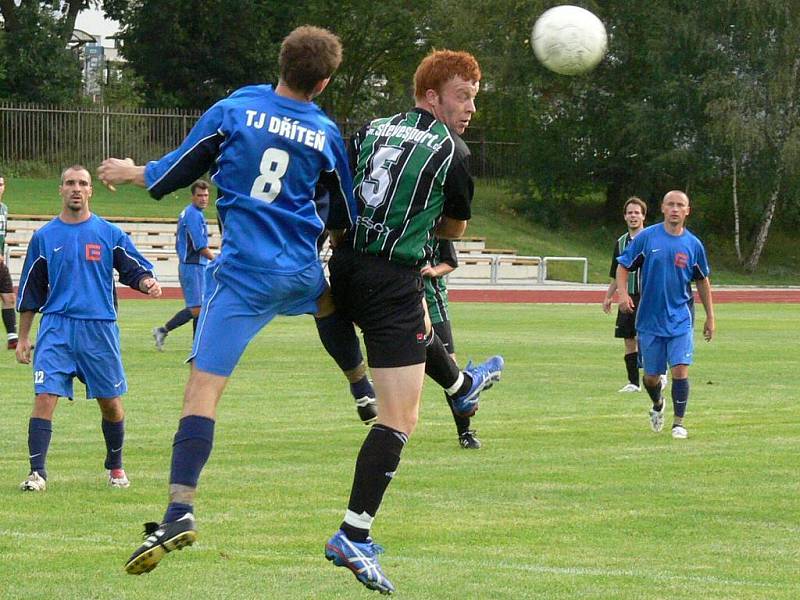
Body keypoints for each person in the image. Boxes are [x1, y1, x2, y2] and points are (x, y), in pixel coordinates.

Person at [97, 26, 357, 575]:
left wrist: (131, 171)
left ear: (280, 63)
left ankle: (179, 510)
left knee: (203, 391)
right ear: (325, 81)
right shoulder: (328, 132)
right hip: (300, 270)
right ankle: (361, 386)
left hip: (242, 276)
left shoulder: (235, 109)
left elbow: (178, 169)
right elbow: (344, 213)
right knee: (327, 304)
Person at [322, 50, 504, 595]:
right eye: (462, 96)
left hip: (346, 265)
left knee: (420, 321)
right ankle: (354, 533)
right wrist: (421, 226)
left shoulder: (373, 128)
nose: (469, 108)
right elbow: (455, 227)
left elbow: (339, 188)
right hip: (390, 278)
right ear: (431, 96)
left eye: (474, 97)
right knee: (399, 419)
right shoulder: (452, 150)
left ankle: (462, 384)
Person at [15, 165, 162, 492]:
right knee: (44, 397)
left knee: (110, 403)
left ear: (91, 191)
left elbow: (132, 268)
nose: (76, 189)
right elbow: (31, 291)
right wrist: (24, 336)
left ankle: (116, 466)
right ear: (60, 189)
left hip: (99, 329)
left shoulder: (109, 233)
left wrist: (146, 281)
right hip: (56, 328)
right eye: (70, 183)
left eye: (82, 183)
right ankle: (37, 473)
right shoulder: (44, 237)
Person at [616, 190, 715, 440]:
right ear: (662, 208)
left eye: (680, 205)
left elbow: (703, 281)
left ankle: (678, 424)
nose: (674, 209)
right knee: (650, 377)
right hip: (649, 320)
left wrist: (710, 317)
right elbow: (623, 265)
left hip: (681, 318)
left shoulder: (693, 244)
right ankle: (658, 404)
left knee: (680, 369)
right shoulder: (648, 238)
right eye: (670, 204)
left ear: (687, 211)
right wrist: (622, 294)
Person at [602, 197, 667, 393]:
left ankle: (660, 374)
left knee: (649, 337)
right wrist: (609, 296)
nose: (633, 216)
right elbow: (616, 272)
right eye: (630, 212)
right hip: (627, 295)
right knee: (628, 338)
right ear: (625, 216)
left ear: (643, 216)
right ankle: (633, 382)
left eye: (637, 212)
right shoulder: (621, 242)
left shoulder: (653, 240)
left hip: (649, 296)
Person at [422, 237, 482, 449]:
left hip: (434, 304)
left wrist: (433, 271)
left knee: (449, 369)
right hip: (406, 301)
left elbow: (451, 262)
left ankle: (465, 432)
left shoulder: (438, 229)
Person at [152, 180, 215, 350]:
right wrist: (216, 260)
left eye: (206, 195)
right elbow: (199, 245)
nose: (203, 199)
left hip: (196, 265)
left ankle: (198, 346)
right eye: (200, 195)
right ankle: (163, 330)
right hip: (192, 265)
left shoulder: (192, 213)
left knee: (200, 307)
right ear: (192, 196)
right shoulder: (193, 214)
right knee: (197, 308)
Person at [0, 172, 19, 349]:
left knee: (9, 297)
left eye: (1, 184)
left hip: (0, 263)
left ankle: (12, 338)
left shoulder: (4, 208)